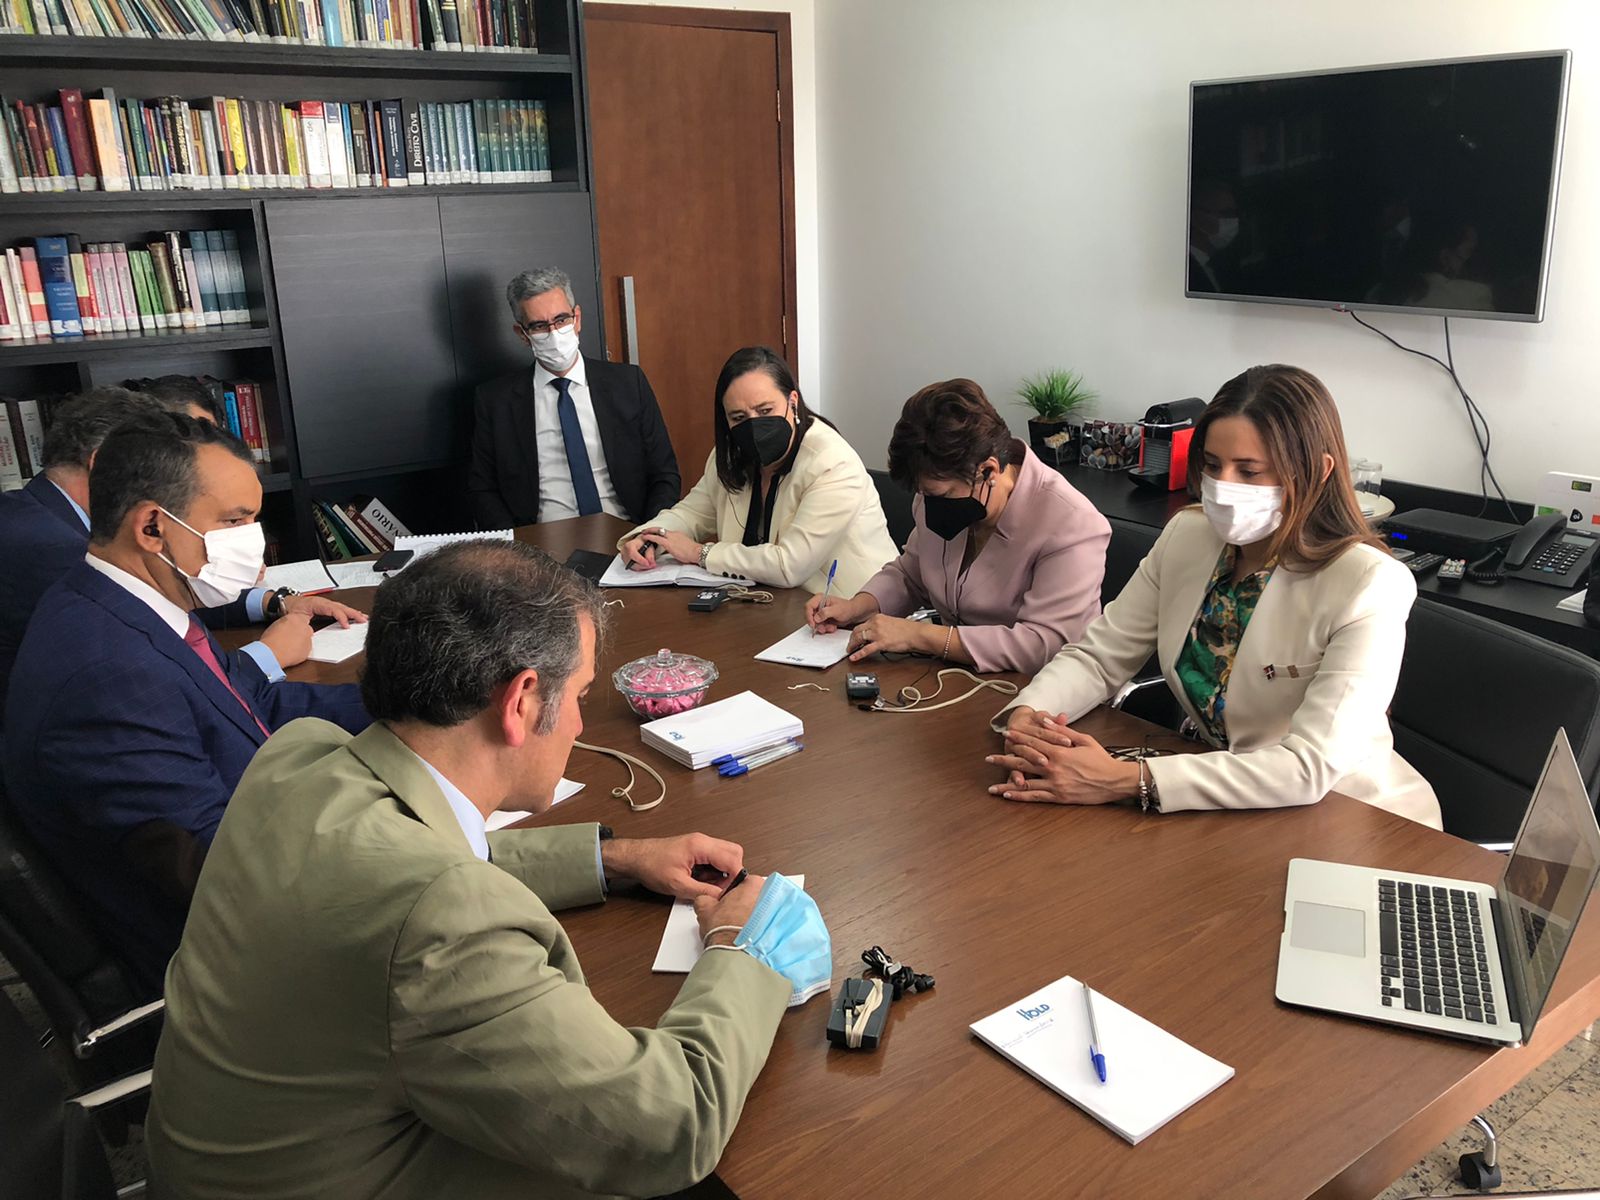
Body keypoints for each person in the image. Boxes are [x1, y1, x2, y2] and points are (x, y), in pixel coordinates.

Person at [147, 540, 831, 1199]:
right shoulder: (444, 927)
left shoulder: (303, 756)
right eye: (581, 696)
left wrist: (613, 858)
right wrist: (740, 947)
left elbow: (412, 858)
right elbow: (669, 1130)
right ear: (523, 701)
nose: (579, 726)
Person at [3, 413, 372, 995]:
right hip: (233, 976)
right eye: (234, 521)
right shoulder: (108, 675)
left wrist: (403, 702)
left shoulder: (118, 603)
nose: (254, 541)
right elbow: (222, 869)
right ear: (153, 526)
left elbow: (245, 703)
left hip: (262, 871)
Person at [987, 364, 1441, 828]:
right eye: (1211, 465)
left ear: (1318, 472)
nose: (1223, 487)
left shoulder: (1369, 583)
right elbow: (1101, 655)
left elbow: (1308, 766)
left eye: (1250, 471)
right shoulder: (1188, 534)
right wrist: (1030, 715)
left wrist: (1124, 780)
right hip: (1225, 804)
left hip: (1350, 817)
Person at [0, 388, 359, 724]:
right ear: (106, 464)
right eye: (234, 520)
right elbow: (177, 687)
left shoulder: (47, 520)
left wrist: (268, 601)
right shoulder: (53, 551)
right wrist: (267, 655)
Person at [805, 379, 1109, 673]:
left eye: (940, 494)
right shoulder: (938, 495)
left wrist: (919, 636)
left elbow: (1045, 645)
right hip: (960, 679)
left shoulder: (1072, 524)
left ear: (988, 470)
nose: (927, 504)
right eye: (922, 494)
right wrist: (857, 607)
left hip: (1042, 702)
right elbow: (911, 574)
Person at [618, 346, 898, 595]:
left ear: (792, 401)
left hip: (851, 616)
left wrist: (698, 553)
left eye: (765, 411)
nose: (753, 426)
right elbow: (690, 514)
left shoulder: (832, 462)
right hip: (766, 608)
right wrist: (646, 538)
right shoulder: (729, 456)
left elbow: (790, 565)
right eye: (739, 418)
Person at [468, 266, 681, 528]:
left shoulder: (628, 384)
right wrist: (517, 550)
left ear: (577, 318)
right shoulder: (495, 401)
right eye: (538, 325)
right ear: (522, 334)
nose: (554, 333)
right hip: (540, 545)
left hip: (627, 535)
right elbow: (483, 489)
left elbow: (664, 474)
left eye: (561, 320)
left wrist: (649, 535)